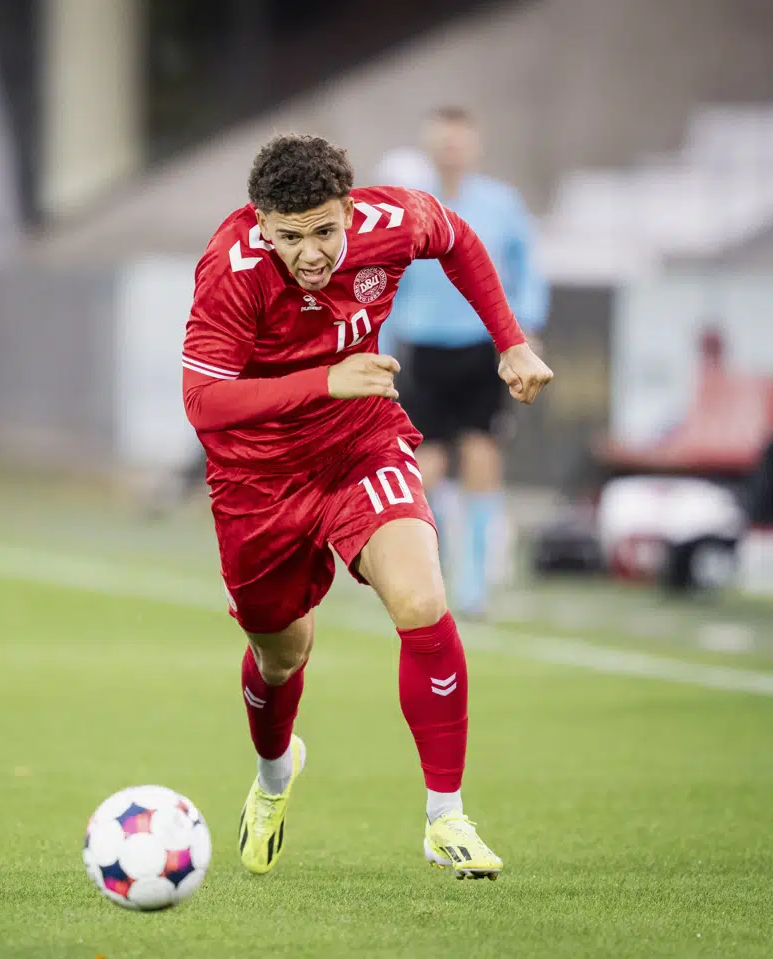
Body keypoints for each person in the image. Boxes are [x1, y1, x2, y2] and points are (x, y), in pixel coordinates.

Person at [181, 135, 551, 880]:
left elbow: (459, 238)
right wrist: (326, 380)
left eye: (325, 229)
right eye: (290, 236)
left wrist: (509, 341)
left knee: (420, 597)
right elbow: (204, 402)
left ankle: (444, 815)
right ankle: (275, 777)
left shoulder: (389, 222)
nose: (312, 252)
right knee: (279, 654)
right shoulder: (232, 270)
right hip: (257, 481)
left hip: (362, 445)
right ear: (261, 224)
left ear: (349, 208)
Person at [378, 107, 549, 617]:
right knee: (423, 469)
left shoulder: (499, 205)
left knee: (481, 457)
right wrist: (380, 347)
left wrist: (526, 329)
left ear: (474, 147)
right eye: (442, 142)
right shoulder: (410, 207)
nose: (451, 150)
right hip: (423, 350)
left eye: (459, 141)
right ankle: (427, 570)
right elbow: (388, 280)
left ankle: (474, 584)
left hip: (480, 349)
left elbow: (527, 268)